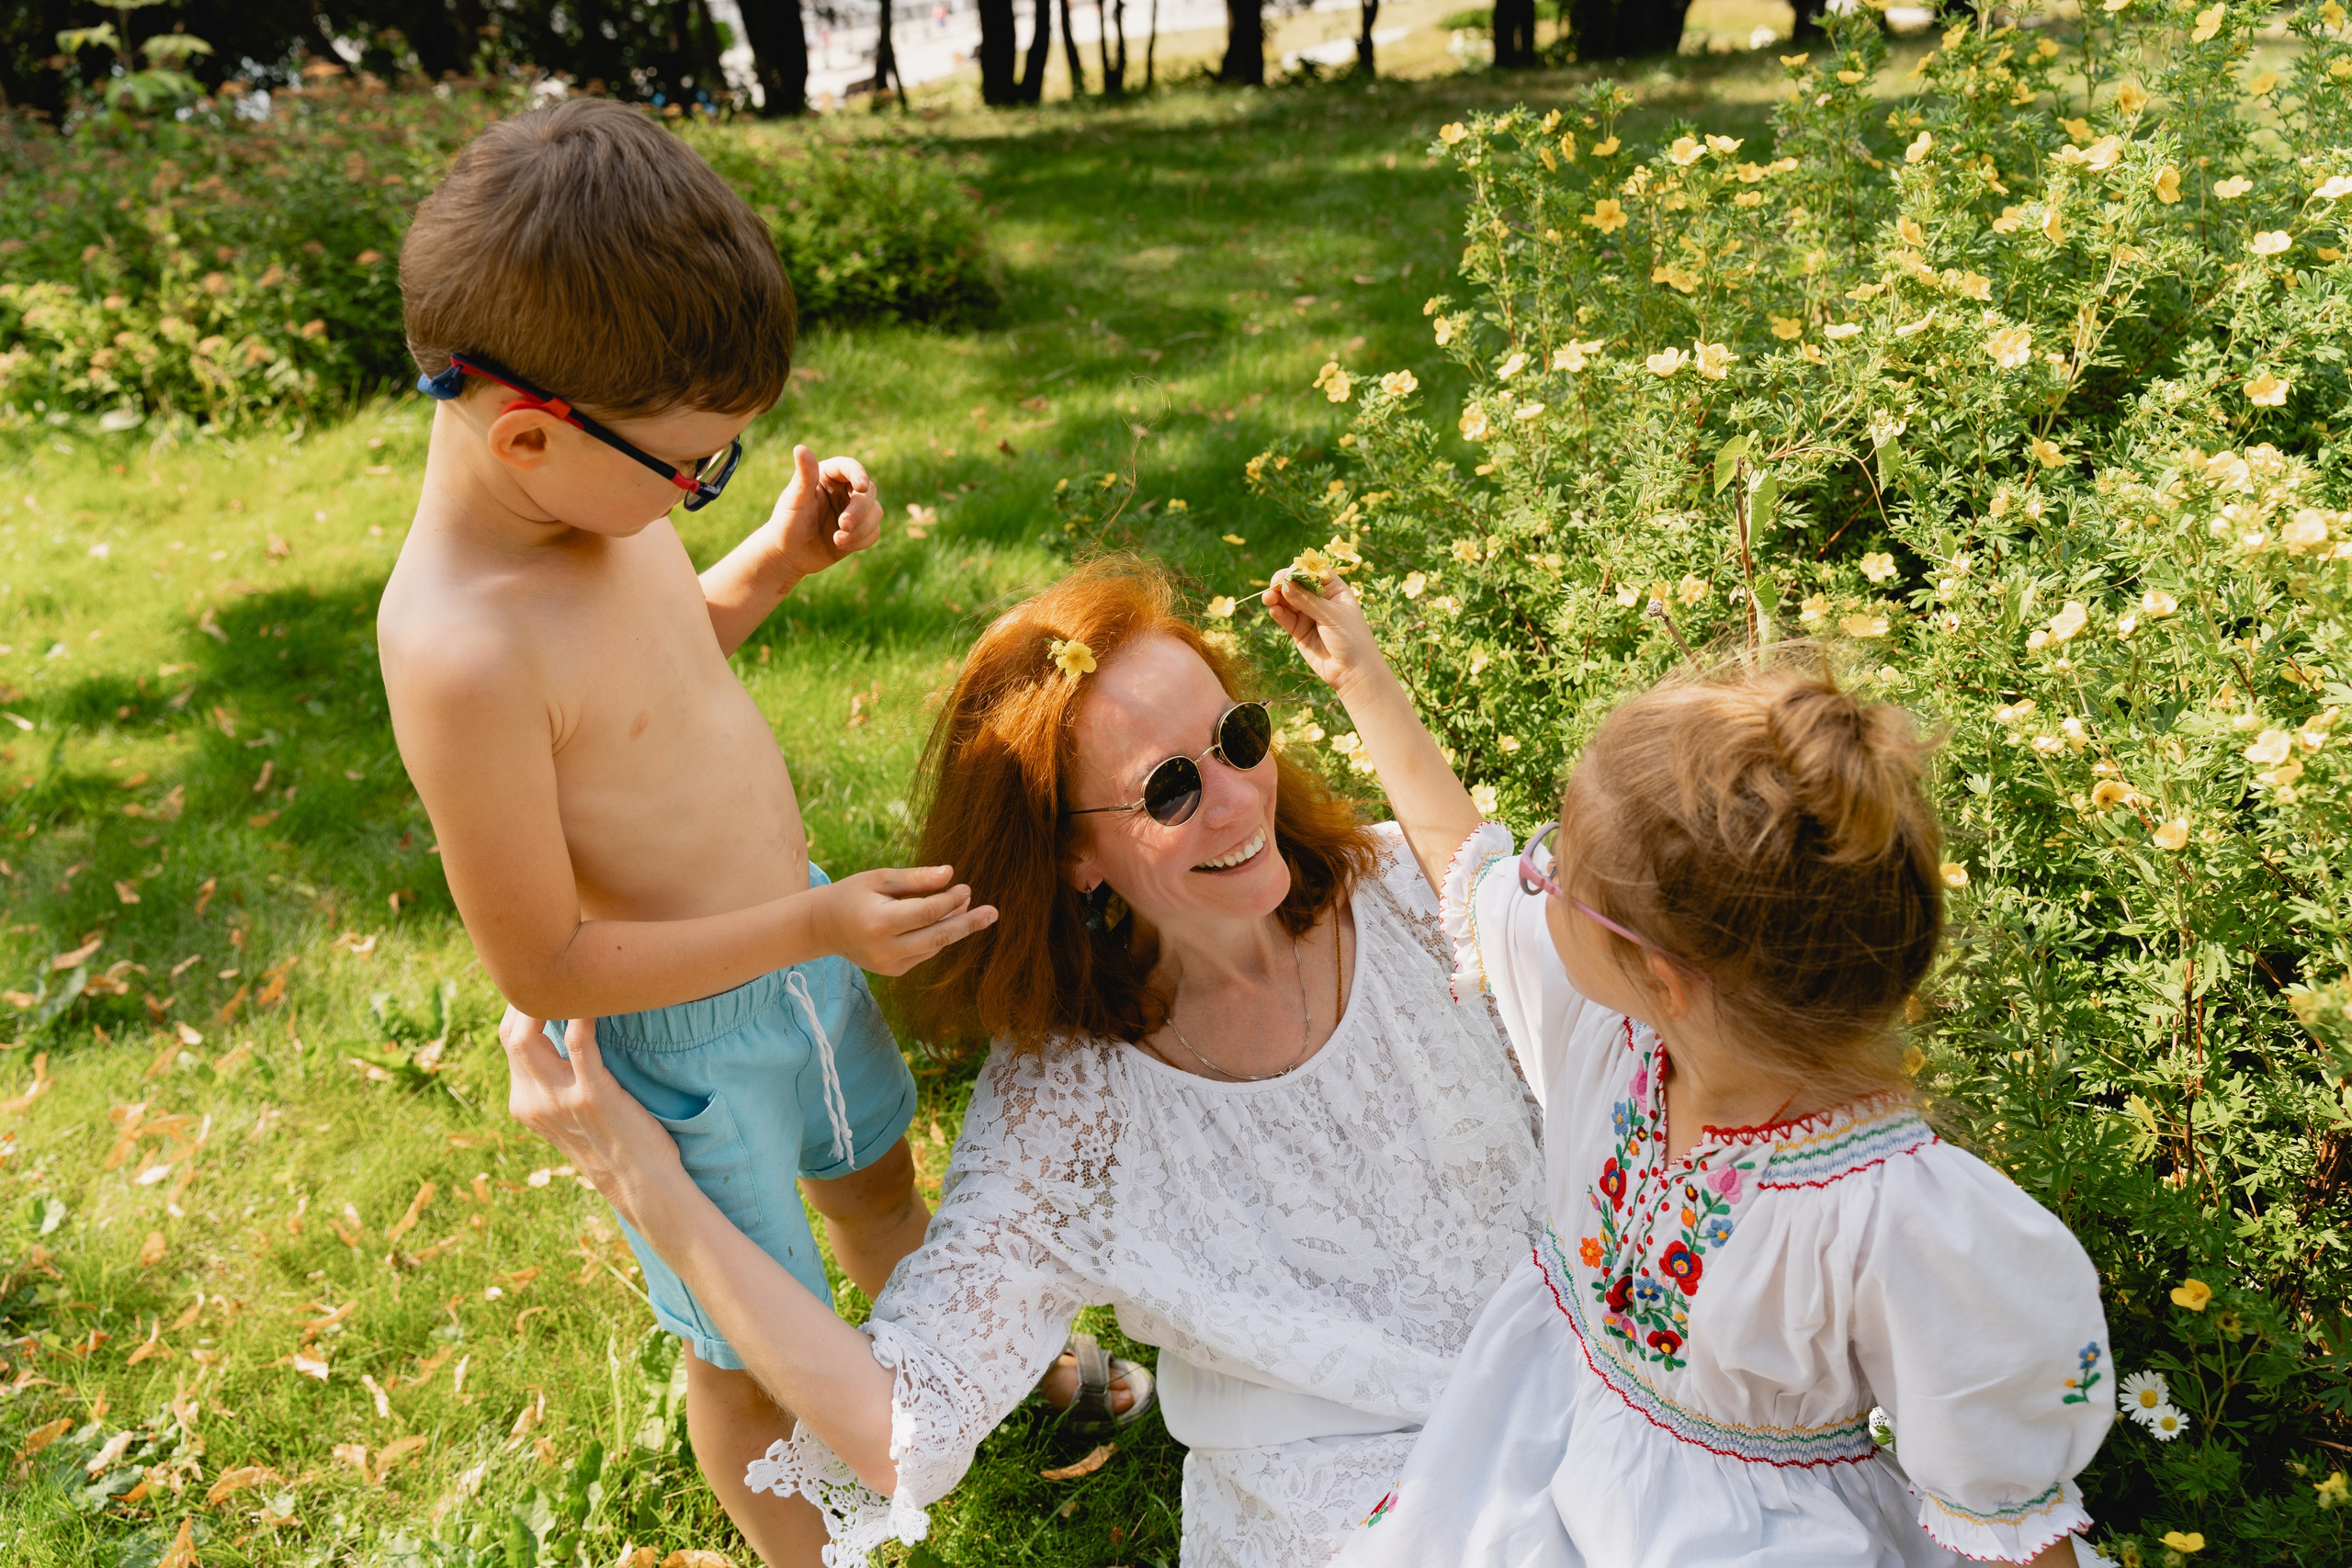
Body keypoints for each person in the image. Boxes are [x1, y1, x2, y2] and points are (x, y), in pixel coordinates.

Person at [500, 558, 1544, 1567]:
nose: (1234, 799)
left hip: (1615, 1387)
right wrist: (643, 1182)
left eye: (1237, 737)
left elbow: (1578, 972)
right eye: (1169, 790)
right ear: (1069, 857)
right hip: (1351, 1504)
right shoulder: (1070, 1114)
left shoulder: (1413, 891)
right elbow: (895, 1426)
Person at [377, 97, 996, 1565]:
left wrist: (769, 556)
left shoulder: (593, 502)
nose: (698, 487)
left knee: (878, 1185)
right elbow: (551, 956)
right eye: (696, 465)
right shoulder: (462, 648)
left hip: (800, 945)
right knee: (739, 1339)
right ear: (528, 430)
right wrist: (817, 924)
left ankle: (964, 1386)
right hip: (684, 1040)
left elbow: (663, 665)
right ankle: (809, 1548)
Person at [1254, 574, 2117, 1567]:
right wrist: (1365, 682)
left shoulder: (1896, 1223)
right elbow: (1470, 868)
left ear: (1663, 975)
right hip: (1540, 1455)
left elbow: (2010, 1522)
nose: (1532, 883)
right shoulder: (1610, 1036)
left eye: (1557, 875)